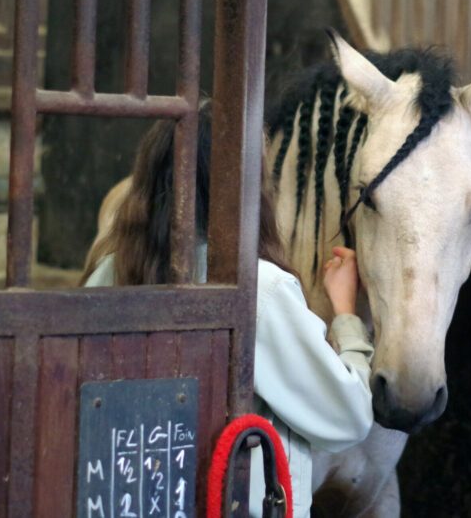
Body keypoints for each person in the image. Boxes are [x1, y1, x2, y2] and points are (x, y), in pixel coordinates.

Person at [82, 106, 374, 518]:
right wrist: (346, 317)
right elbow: (348, 419)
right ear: (242, 187)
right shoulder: (259, 290)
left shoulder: (107, 273)